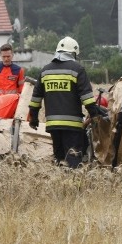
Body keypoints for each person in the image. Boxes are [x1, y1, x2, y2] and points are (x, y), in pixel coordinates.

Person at [28, 36, 105, 168]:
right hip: (72, 125)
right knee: (73, 160)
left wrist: (33, 118)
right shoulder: (77, 69)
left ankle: (61, 185)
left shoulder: (45, 71)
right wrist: (94, 114)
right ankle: (73, 187)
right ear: (74, 53)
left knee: (59, 159)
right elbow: (86, 97)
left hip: (53, 125)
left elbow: (36, 98)